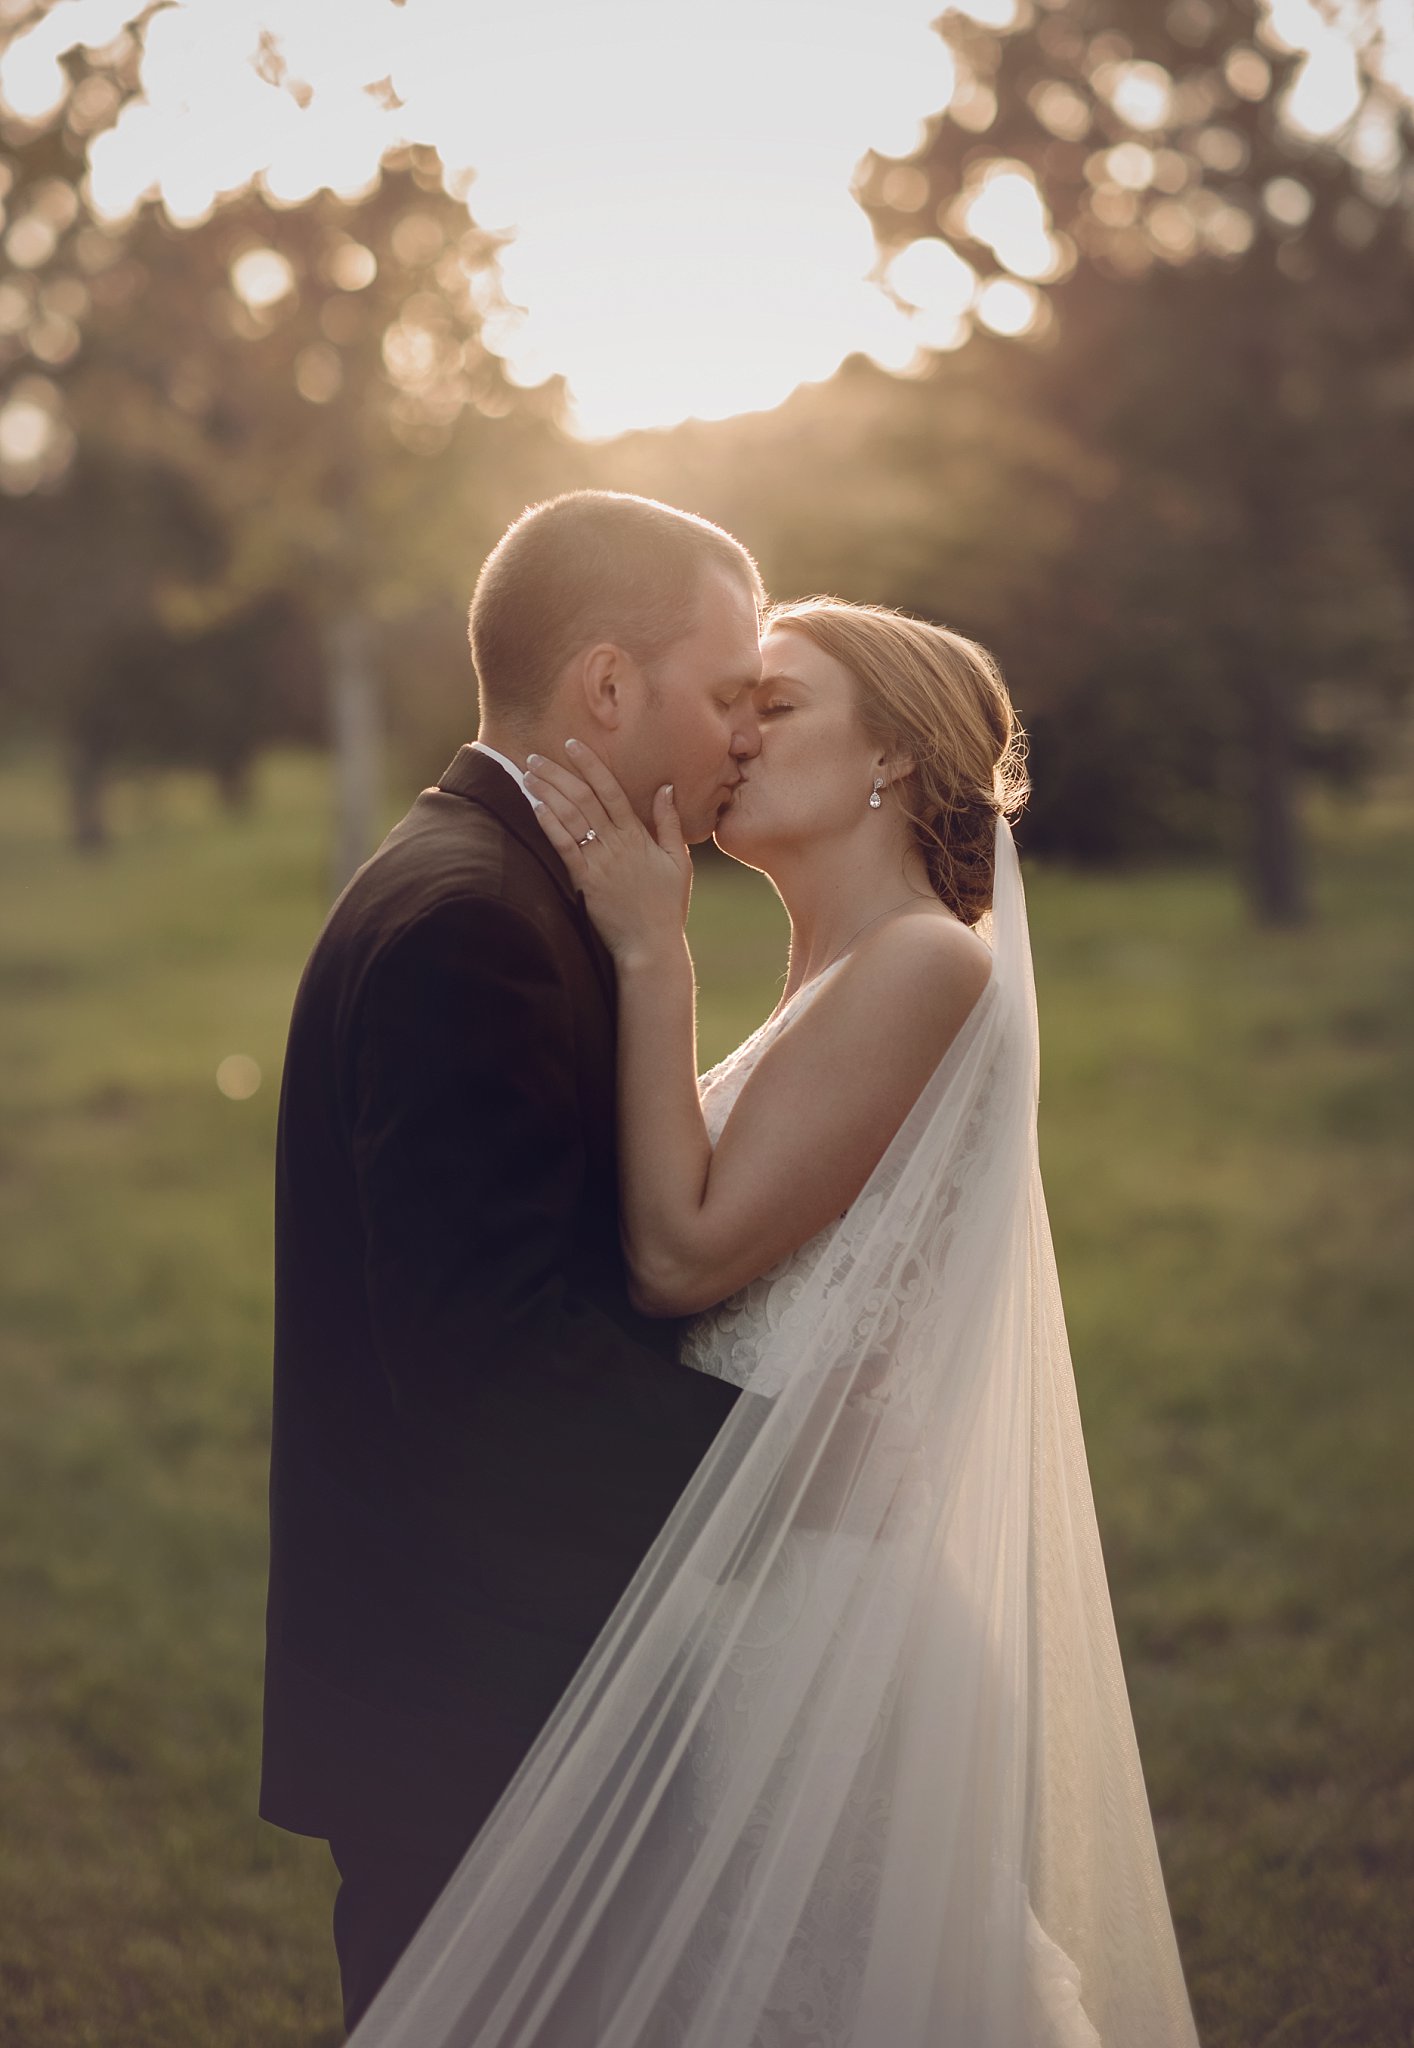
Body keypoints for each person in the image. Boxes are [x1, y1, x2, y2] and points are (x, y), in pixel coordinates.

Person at [346, 599, 1202, 2047]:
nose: (733, 737)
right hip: (742, 1595)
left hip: (820, 1630)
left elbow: (680, 1259)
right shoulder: (822, 978)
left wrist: (647, 950)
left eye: (776, 706)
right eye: (733, 702)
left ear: (896, 757)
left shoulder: (928, 963)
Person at [259, 489, 766, 2034]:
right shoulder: (467, 927)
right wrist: (787, 1477)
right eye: (727, 690)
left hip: (488, 1670)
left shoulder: (503, 886)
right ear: (608, 687)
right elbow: (489, 1378)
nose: (745, 732)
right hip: (468, 1707)